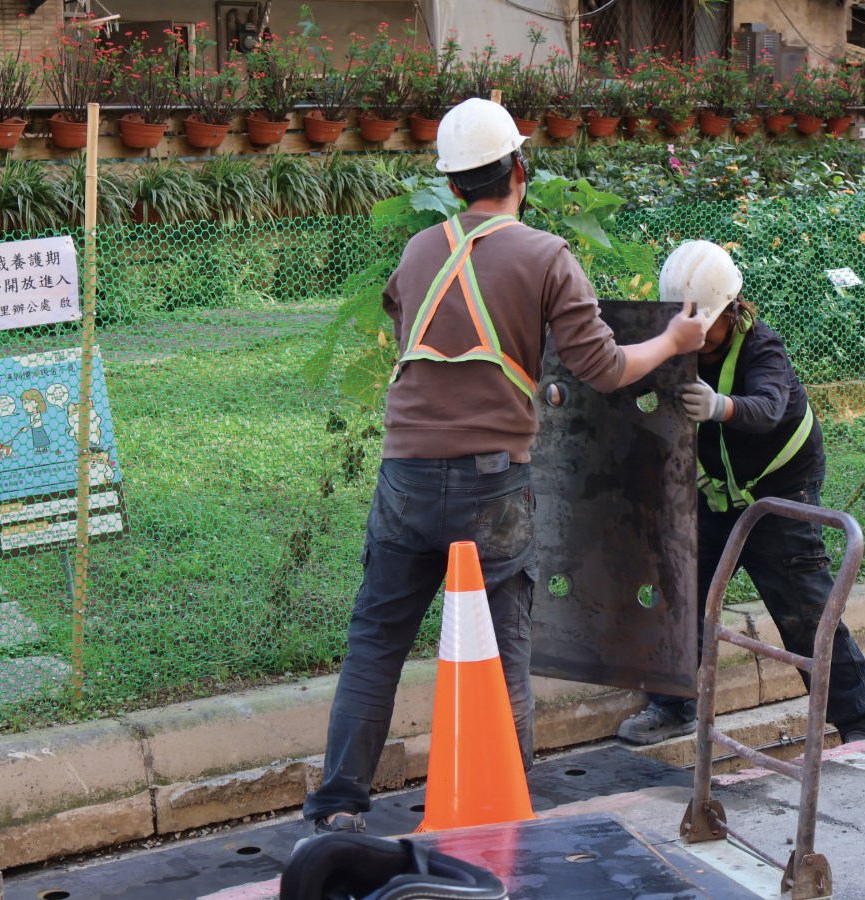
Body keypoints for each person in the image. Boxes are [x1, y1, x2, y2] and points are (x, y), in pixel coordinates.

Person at [299, 98, 706, 844]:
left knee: (377, 642)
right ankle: (507, 805)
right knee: (501, 644)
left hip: (406, 477)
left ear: (453, 186)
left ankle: (338, 807)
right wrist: (673, 339)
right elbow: (604, 367)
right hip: (493, 484)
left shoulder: (421, 250)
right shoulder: (547, 255)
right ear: (520, 170)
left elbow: (409, 327)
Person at [617, 241, 865, 747]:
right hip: (716, 492)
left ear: (732, 311)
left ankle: (860, 723)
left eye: (703, 323)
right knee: (681, 591)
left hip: (780, 491)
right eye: (684, 322)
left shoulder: (763, 347)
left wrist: (720, 406)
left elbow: (766, 408)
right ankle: (673, 707)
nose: (692, 335)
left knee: (804, 610)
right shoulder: (677, 343)